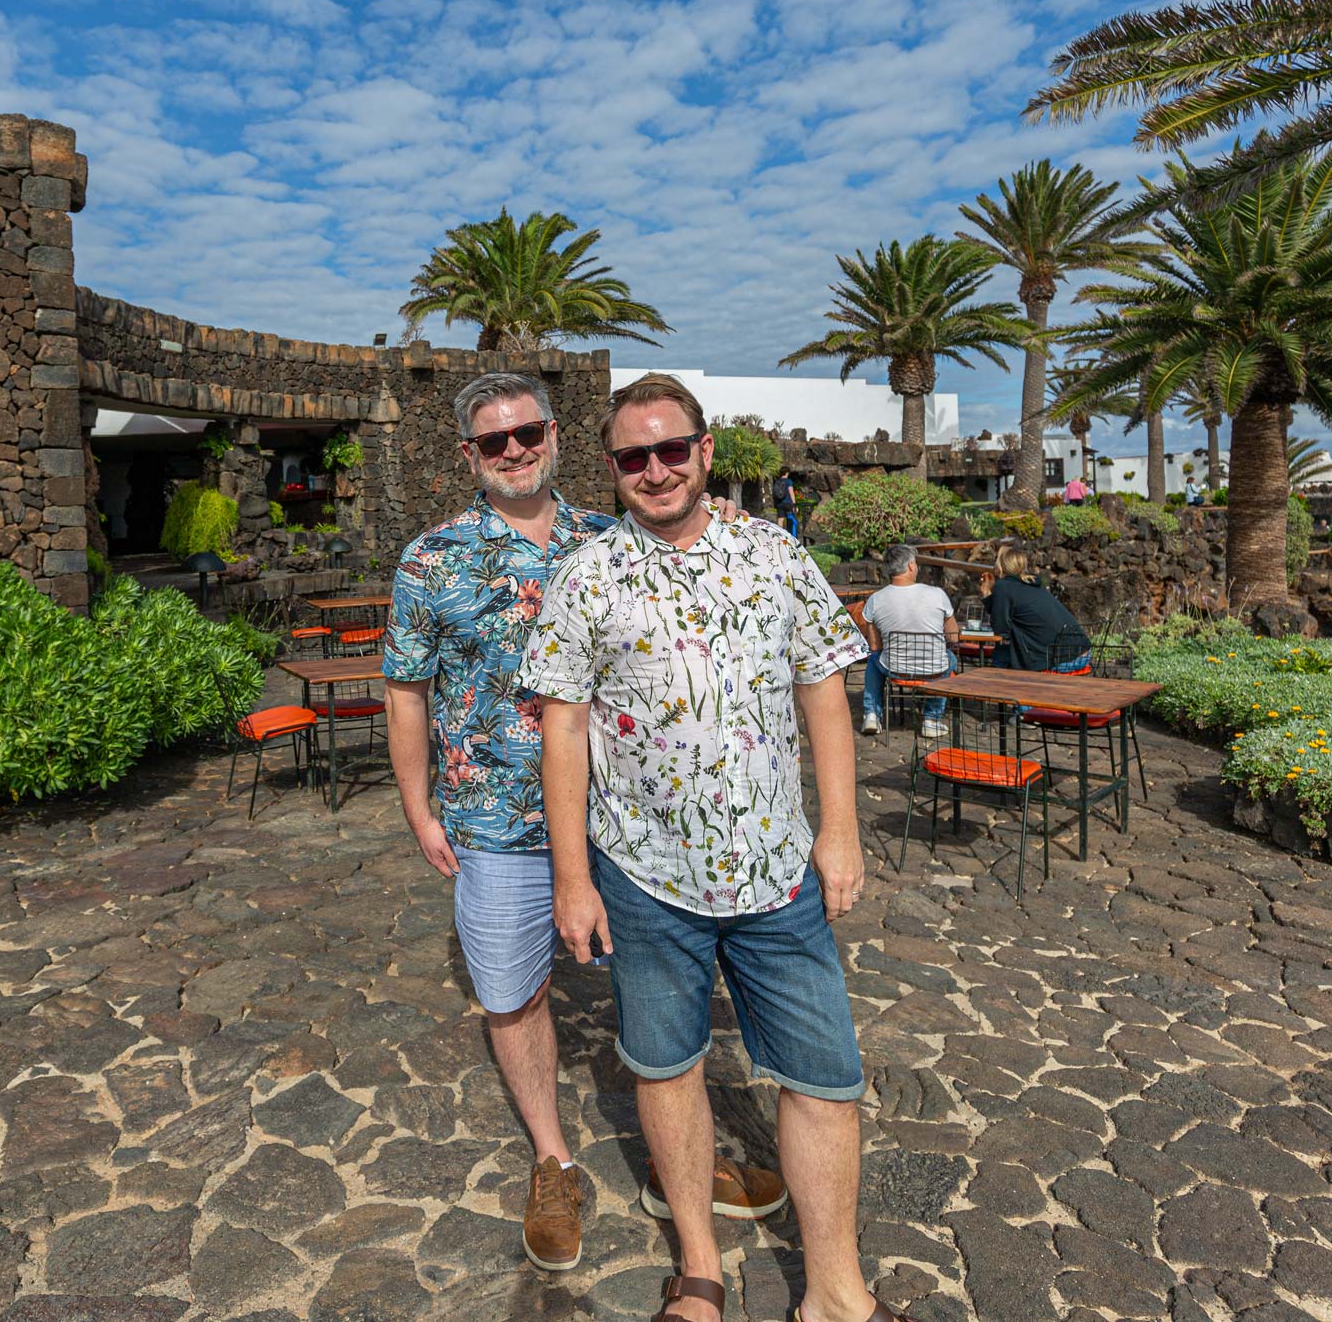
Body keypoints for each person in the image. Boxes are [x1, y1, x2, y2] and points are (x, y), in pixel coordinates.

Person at [524, 373, 923, 1322]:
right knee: (664, 1065)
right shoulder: (587, 575)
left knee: (824, 1076)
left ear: (705, 451)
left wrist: (840, 829)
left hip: (777, 869)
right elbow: (564, 728)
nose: (655, 469)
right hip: (644, 873)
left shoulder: (775, 555)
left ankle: (835, 1291)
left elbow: (825, 686)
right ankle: (698, 1268)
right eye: (634, 457)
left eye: (671, 449)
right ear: (614, 469)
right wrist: (573, 877)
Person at [383, 372, 775, 1275]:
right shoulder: (430, 561)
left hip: (626, 820)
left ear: (556, 435)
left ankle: (679, 1161)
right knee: (515, 995)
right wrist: (416, 806)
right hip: (496, 823)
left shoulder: (614, 539)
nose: (515, 449)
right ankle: (554, 1159)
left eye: (528, 432)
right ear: (469, 455)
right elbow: (405, 694)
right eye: (495, 441)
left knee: (658, 995)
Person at [858, 543, 958, 738]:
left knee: (873, 659)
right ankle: (932, 718)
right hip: (934, 670)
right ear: (911, 566)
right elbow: (953, 636)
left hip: (895, 668)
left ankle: (871, 714)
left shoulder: (876, 599)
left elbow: (874, 646)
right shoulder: (937, 594)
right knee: (950, 659)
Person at [978, 544, 1092, 673]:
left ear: (1000, 567)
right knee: (1005, 654)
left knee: (1000, 658)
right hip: (1081, 652)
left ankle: (1000, 690)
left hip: (1062, 659)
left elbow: (1000, 629)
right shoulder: (1032, 583)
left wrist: (987, 593)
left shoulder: (1003, 587)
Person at [774, 467, 800, 539]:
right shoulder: (788, 481)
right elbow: (791, 493)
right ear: (787, 473)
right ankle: (792, 536)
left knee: (780, 519)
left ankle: (780, 535)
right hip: (788, 503)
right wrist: (794, 504)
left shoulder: (777, 481)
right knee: (790, 518)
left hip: (780, 503)